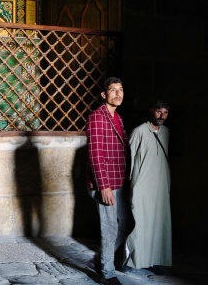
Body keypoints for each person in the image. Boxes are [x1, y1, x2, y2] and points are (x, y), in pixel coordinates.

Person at [86, 77, 132, 285]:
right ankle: (107, 272)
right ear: (104, 95)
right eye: (113, 90)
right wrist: (103, 186)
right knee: (110, 227)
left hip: (119, 181)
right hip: (105, 183)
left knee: (128, 223)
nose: (118, 93)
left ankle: (102, 259)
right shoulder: (97, 117)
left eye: (120, 90)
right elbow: (96, 154)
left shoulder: (118, 118)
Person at [125, 99, 172, 270]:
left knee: (158, 223)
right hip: (141, 184)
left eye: (165, 112)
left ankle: (155, 261)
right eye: (159, 111)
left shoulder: (166, 132)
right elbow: (129, 159)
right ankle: (132, 260)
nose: (162, 116)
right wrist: (130, 184)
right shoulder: (139, 131)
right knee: (140, 222)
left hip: (160, 185)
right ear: (152, 110)